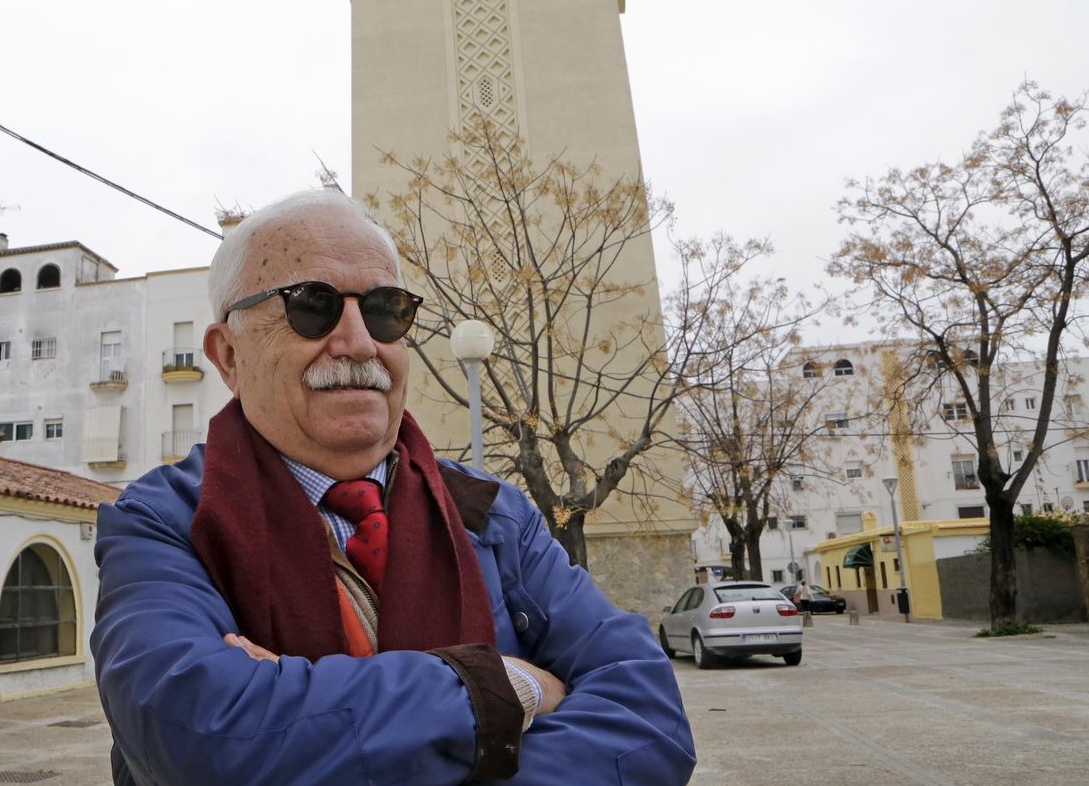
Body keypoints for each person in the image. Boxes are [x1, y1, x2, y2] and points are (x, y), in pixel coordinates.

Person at [91, 189, 696, 784]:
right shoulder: (164, 520)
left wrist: (303, 720)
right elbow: (198, 737)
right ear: (228, 355)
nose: (358, 342)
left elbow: (649, 718)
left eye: (384, 309)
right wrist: (507, 689)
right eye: (311, 305)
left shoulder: (495, 514)